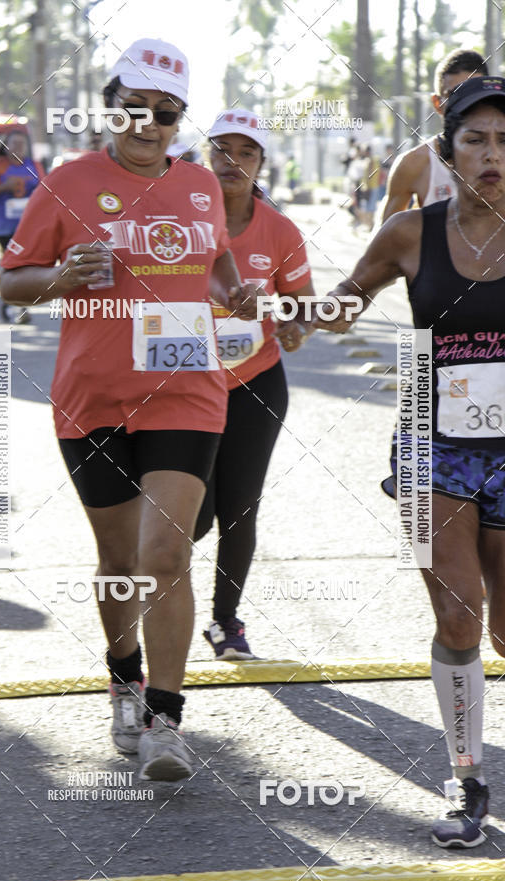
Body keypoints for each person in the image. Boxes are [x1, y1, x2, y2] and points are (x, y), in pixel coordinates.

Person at [0, 38, 260, 782]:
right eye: (136, 109)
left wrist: (233, 294)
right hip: (94, 396)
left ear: (182, 119)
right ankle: (124, 677)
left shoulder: (203, 186)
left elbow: (215, 262)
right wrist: (63, 277)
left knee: (165, 556)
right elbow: (13, 284)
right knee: (118, 563)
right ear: (110, 106)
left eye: (168, 115)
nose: (150, 125)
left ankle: (168, 721)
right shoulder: (68, 181)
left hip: (186, 388)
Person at [311, 75, 505, 848]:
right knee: (457, 615)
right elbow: (343, 297)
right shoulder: (409, 233)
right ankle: (467, 782)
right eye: (477, 139)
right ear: (446, 152)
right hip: (433, 443)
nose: (494, 155)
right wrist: (290, 312)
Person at [195, 109, 314, 659]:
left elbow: (302, 304)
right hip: (183, 385)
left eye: (246, 153)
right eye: (222, 149)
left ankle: (226, 622)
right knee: (188, 514)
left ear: (260, 163)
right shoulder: (180, 220)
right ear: (204, 155)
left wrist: (295, 327)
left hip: (257, 382)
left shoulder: (280, 229)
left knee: (239, 508)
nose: (232, 161)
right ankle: (156, 600)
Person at [381, 49, 488, 222]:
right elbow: (385, 241)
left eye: (472, 94)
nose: (465, 104)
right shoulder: (414, 164)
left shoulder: (499, 160)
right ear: (437, 103)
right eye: (454, 95)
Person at [0, 130, 45, 323]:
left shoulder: (34, 165)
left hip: (29, 226)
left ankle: (20, 307)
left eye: (21, 144)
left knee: (25, 266)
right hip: (5, 227)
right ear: (7, 146)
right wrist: (4, 187)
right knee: (11, 266)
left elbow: (47, 189)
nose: (18, 147)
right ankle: (10, 305)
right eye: (14, 143)